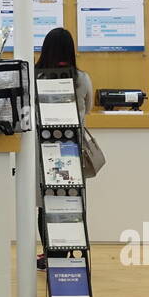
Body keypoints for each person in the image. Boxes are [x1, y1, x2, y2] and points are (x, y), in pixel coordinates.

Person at [35, 27, 93, 270]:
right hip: (71, 148)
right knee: (71, 201)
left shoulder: (36, 77)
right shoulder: (82, 78)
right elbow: (88, 109)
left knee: (45, 202)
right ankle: (67, 251)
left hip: (44, 149)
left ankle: (50, 254)